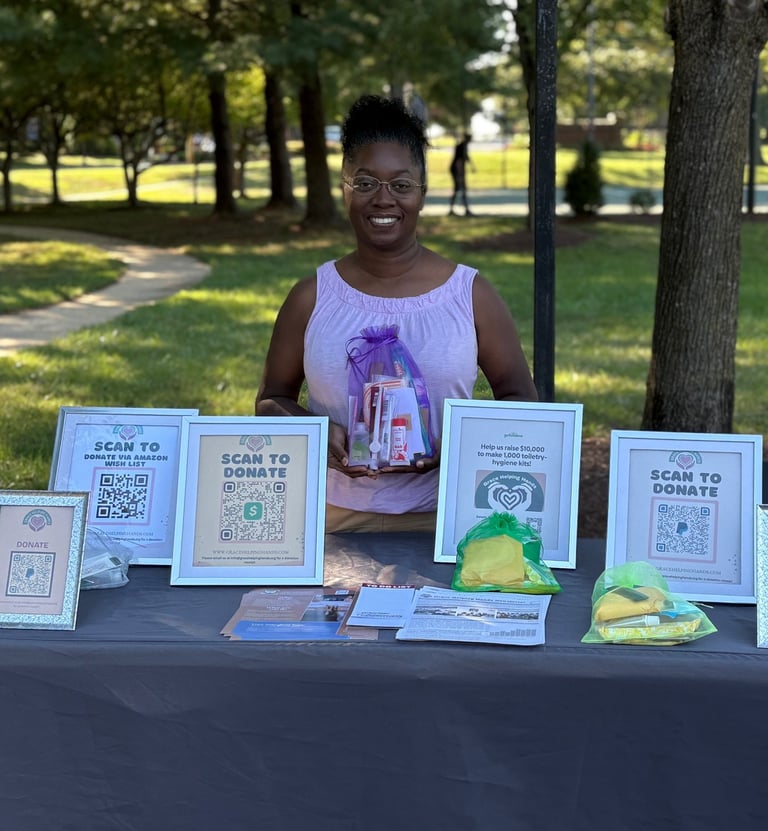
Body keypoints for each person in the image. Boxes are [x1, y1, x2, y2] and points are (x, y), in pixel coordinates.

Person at [255, 95, 537, 533]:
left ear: (422, 194)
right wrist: (315, 431)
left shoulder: (470, 294)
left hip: (451, 521)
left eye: (401, 185)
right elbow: (271, 400)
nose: (383, 200)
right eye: (365, 183)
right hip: (329, 518)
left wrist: (461, 445)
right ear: (344, 189)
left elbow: (522, 403)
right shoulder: (311, 297)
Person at [448, 133, 474, 216]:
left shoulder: (463, 146)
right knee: (460, 189)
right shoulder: (461, 147)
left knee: (459, 189)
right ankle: (465, 209)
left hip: (459, 169)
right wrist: (460, 175)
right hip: (457, 170)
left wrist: (472, 166)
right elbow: (459, 161)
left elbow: (466, 157)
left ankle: (456, 209)